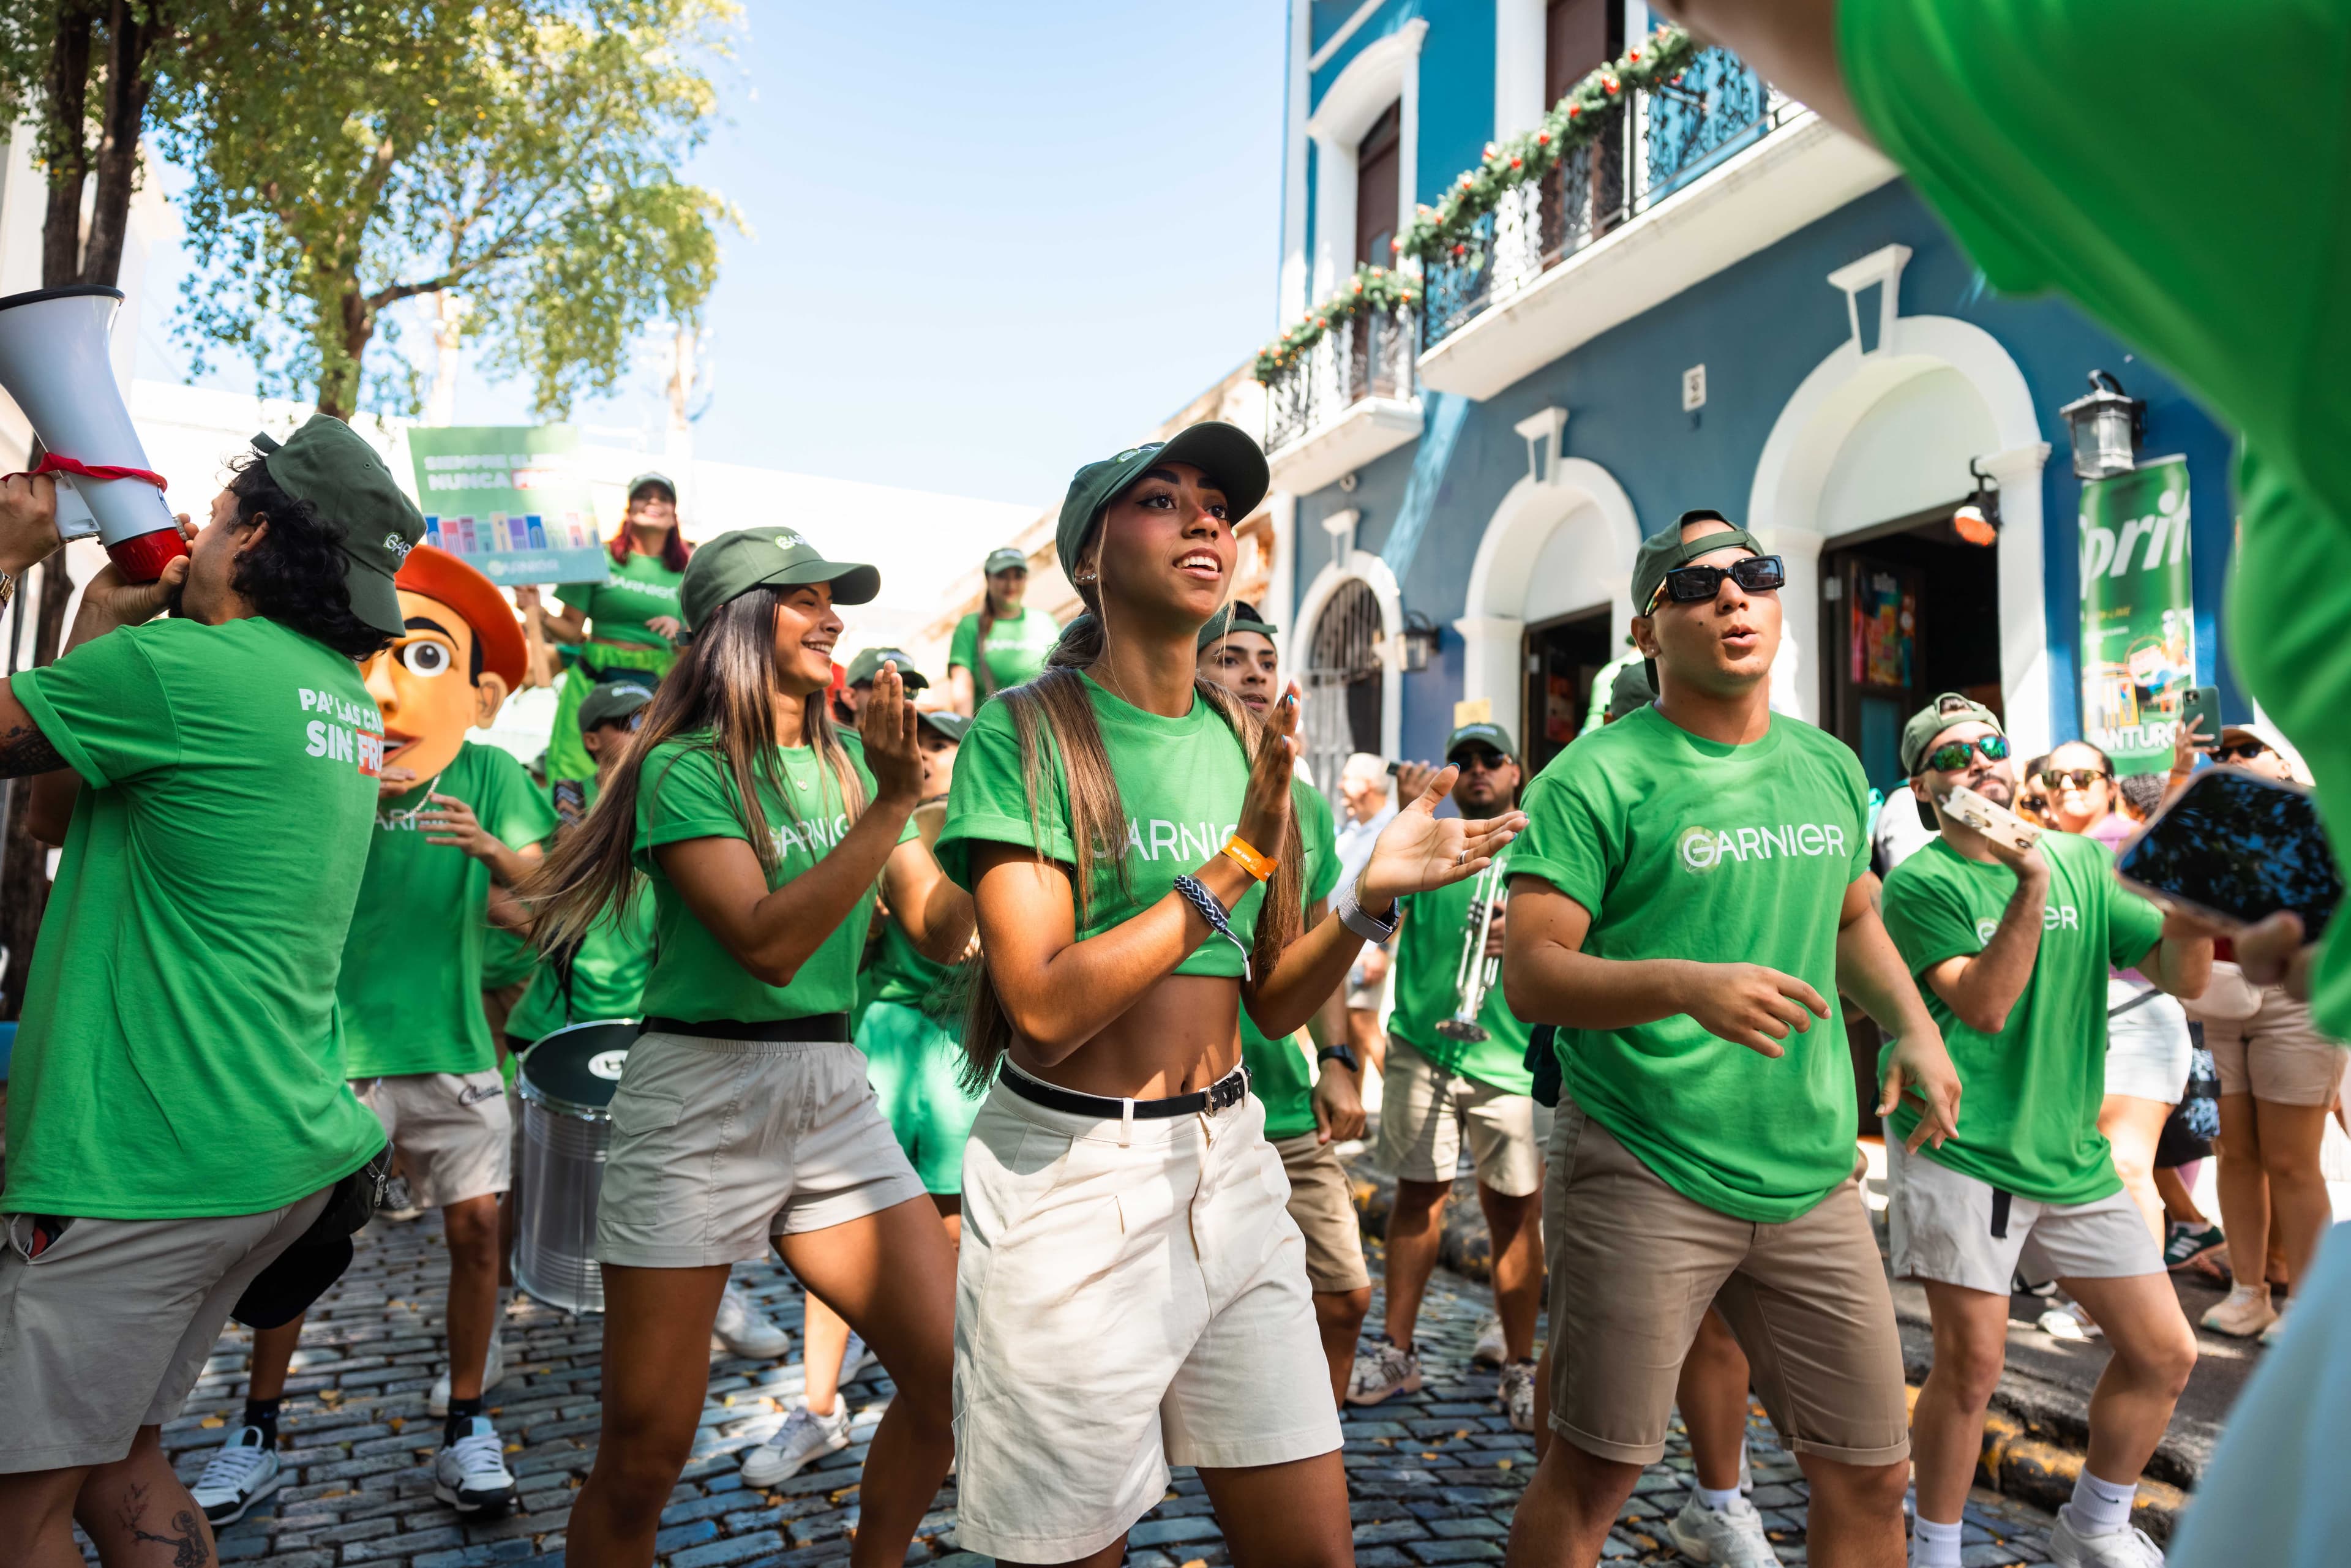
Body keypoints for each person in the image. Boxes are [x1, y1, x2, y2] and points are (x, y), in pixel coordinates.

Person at [933, 422, 1521, 1566]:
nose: (1206, 519)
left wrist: (1366, 903)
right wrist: (1231, 868)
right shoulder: (1028, 733)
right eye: (1163, 501)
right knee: (1068, 1548)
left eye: (1218, 505)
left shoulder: (1254, 749)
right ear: (1090, 559)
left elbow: (1268, 1005)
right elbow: (1045, 1006)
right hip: (1072, 1180)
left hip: (1234, 1160)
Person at [1499, 509, 1962, 1568]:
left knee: (1871, 1468)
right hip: (1642, 1156)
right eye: (1695, 585)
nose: (1731, 596)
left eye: (1753, 573)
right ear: (1646, 631)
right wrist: (1682, 984)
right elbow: (1534, 972)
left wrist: (1915, 1032)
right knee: (1595, 1470)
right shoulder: (1594, 778)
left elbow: (1851, 919)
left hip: (1809, 1172)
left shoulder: (1831, 766)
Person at [0, 416, 421, 1564]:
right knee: (124, 1463)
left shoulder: (183, 673)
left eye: (223, 510)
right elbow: (51, 817)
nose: (202, 525)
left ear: (255, 538)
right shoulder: (331, 693)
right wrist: (95, 618)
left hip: (139, 1164)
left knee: (19, 1512)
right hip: (260, 1154)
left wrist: (2, 560)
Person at [525, 525, 971, 1568]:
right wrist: (898, 801)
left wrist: (997, 845)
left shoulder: (852, 769)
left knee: (962, 1378)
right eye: (805, 600)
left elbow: (936, 927)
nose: (834, 620)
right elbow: (768, 942)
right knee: (644, 1456)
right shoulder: (679, 768)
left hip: (829, 1089)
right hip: (697, 1099)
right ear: (738, 621)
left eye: (836, 601)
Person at [198, 543, 558, 1523]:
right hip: (328, 1053)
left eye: (423, 657)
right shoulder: (321, 752)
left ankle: (468, 1424)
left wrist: (490, 849)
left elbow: (552, 896)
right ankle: (258, 1427)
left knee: (478, 1233)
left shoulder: (486, 775)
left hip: (450, 1050)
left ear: (478, 696)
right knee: (290, 1246)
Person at [1880, 692, 2205, 1568]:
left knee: (2165, 1350)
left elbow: (2184, 974)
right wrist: (2026, 881)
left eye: (1990, 743)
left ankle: (2093, 1523)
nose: (1980, 760)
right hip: (1964, 1146)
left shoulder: (2081, 861)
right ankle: (1938, 1549)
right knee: (1972, 1366)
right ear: (1923, 791)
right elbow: (1984, 1007)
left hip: (2068, 1152)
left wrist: (2197, 895)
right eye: (1953, 756)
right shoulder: (1922, 883)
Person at [742, 702, 981, 1487]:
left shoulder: (992, 830)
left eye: (945, 745)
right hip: (873, 1042)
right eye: (923, 744)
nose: (931, 757)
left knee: (948, 1244)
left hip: (955, 1064)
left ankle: (952, 1415)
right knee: (838, 1244)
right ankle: (818, 1407)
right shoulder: (880, 821)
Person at [1197, 601, 1373, 1407]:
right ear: (1194, 670)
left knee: (1342, 1295)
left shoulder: (1304, 804)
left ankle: (1316, 1453)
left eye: (1265, 660)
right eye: (1231, 658)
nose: (1255, 673)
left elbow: (1308, 941)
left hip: (1282, 1100)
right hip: (1177, 1101)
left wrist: (1337, 1059)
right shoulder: (1179, 777)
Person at [1350, 721, 1547, 1435]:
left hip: (1507, 1056)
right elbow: (1374, 923)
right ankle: (1399, 1350)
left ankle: (1522, 1360)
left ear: (1516, 771)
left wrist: (1523, 930)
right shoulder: (1430, 836)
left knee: (1515, 1209)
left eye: (1490, 758)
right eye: (1461, 759)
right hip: (1424, 1046)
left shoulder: (1537, 846)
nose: (1475, 770)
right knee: (1416, 1198)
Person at [2182, 729, 2347, 1343]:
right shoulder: (2204, 814)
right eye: (2220, 753)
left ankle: (2306, 1303)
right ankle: (2248, 1292)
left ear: (2284, 757)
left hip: (2295, 999)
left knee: (2292, 1159)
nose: (2230, 760)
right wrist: (2183, 780)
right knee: (2236, 1153)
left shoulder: (2325, 809)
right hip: (2220, 996)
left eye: (2246, 749)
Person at [519, 471, 690, 797]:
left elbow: (696, 649)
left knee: (651, 771)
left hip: (659, 686)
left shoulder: (688, 572)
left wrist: (678, 631)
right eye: (644, 496)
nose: (653, 502)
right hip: (594, 679)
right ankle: (571, 839)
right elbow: (570, 631)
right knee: (574, 767)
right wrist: (536, 609)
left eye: (663, 497)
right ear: (629, 508)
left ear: (674, 514)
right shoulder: (598, 557)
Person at [1335, 750, 1399, 1068]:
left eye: (1346, 778)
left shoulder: (1392, 827)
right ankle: (1356, 1116)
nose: (1339, 785)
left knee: (1363, 1022)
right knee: (1347, 1033)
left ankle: (1398, 1097)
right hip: (1341, 940)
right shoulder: (1352, 828)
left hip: (1368, 945)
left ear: (1368, 786)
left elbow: (1399, 893)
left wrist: (1381, 949)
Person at [947, 544, 1060, 713]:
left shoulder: (1045, 622)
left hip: (1044, 728)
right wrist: (961, 735)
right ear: (988, 579)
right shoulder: (970, 626)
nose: (1010, 584)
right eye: (1002, 576)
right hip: (994, 733)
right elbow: (962, 694)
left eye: (1018, 576)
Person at [841, 645, 929, 727]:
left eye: (910, 688)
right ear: (851, 697)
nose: (902, 697)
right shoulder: (831, 742)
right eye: (888, 685)